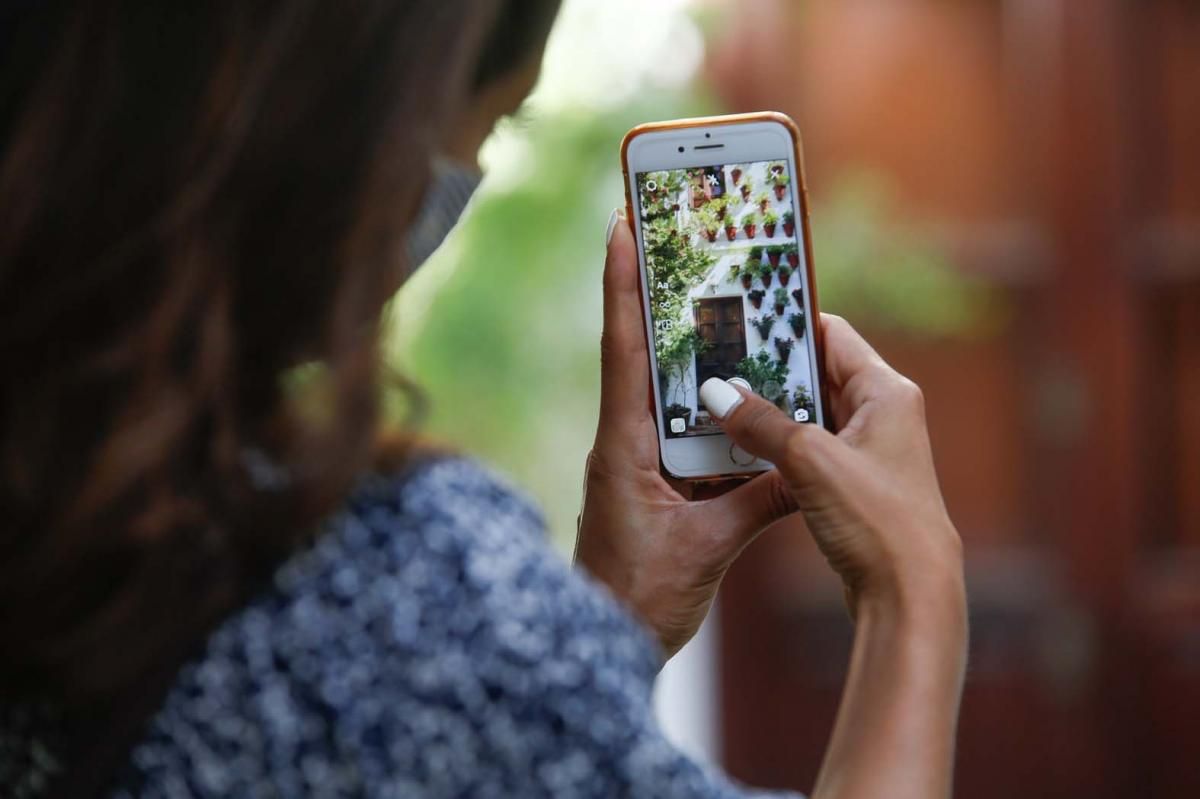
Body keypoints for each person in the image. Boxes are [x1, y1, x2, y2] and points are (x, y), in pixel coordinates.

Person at [0, 1, 966, 797]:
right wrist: (912, 598)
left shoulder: (65, 487)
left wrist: (602, 628)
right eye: (495, 123)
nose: (465, 180)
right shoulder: (394, 586)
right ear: (347, 122)